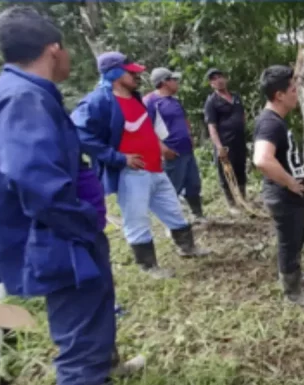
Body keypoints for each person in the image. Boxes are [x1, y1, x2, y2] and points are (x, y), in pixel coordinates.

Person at [0, 7, 123, 385]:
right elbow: (34, 180)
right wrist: (83, 223)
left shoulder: (13, 90)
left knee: (92, 326)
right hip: (60, 241)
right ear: (53, 49)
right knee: (80, 345)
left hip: (61, 236)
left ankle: (107, 368)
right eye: (67, 48)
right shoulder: (24, 98)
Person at [71, 52, 210, 280]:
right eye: (131, 72)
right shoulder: (99, 101)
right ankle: (148, 266)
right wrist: (118, 157)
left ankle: (187, 247)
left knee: (174, 210)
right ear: (116, 74)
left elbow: (144, 128)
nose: (137, 76)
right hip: (131, 173)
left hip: (156, 168)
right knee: (136, 219)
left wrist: (159, 146)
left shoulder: (135, 98)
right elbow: (79, 132)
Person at [253, 65, 304, 307]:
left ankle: (294, 275)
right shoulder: (270, 123)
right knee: (289, 240)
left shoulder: (275, 121)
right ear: (279, 95)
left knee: (298, 234)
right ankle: (293, 292)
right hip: (283, 195)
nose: (297, 93)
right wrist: (291, 182)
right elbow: (262, 159)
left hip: (289, 194)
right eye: (293, 89)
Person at [144, 67, 207, 224]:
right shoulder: (150, 102)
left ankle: (197, 215)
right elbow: (146, 129)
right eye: (174, 80)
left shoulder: (174, 100)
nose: (177, 83)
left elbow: (184, 120)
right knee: (172, 188)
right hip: (171, 151)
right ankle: (172, 223)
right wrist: (162, 148)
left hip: (186, 149)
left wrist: (189, 135)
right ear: (165, 82)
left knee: (193, 183)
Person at [204, 67, 247, 214]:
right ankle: (232, 204)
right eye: (214, 79)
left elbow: (242, 115)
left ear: (225, 79)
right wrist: (219, 146)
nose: (219, 80)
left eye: (220, 77)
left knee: (241, 169)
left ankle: (243, 199)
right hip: (225, 144)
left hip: (239, 141)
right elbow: (211, 126)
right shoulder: (211, 102)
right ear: (211, 84)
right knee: (226, 173)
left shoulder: (236, 97)